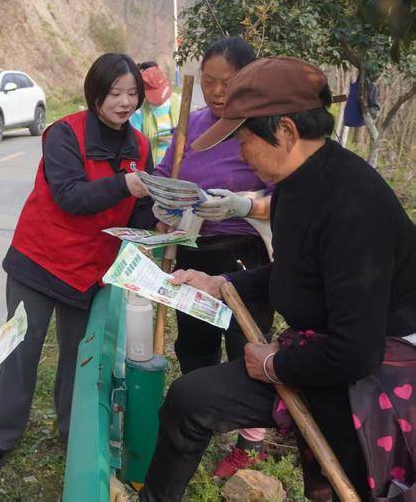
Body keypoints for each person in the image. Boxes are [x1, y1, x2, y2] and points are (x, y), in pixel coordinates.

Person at [137, 57, 416, 501]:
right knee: (191, 399)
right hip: (319, 349)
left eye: (245, 140)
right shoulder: (292, 185)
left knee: (350, 484)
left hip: (373, 375)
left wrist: (274, 365)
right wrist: (219, 284)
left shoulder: (353, 208)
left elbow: (357, 352)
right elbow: (292, 273)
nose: (242, 153)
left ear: (285, 131)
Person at [0, 53, 154, 469]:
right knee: (21, 351)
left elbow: (138, 210)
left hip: (90, 271)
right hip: (38, 262)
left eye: (132, 93)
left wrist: (156, 220)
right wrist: (125, 185)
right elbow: (71, 197)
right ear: (95, 93)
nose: (124, 102)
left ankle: (72, 435)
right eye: (114, 93)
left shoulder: (140, 146)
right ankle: (2, 434)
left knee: (80, 360)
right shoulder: (64, 134)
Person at [149, 37, 274, 477]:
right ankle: (201, 424)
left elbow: (286, 197)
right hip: (195, 251)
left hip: (247, 255)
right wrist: (163, 204)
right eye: (208, 82)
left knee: (248, 346)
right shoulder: (191, 126)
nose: (217, 92)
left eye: (227, 82)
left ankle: (250, 444)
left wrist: (245, 203)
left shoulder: (265, 128)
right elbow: (164, 176)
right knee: (195, 343)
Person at [129, 62, 179, 163]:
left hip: (177, 166)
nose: (161, 100)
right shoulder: (139, 113)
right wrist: (152, 140)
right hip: (152, 168)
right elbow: (133, 144)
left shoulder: (178, 101)